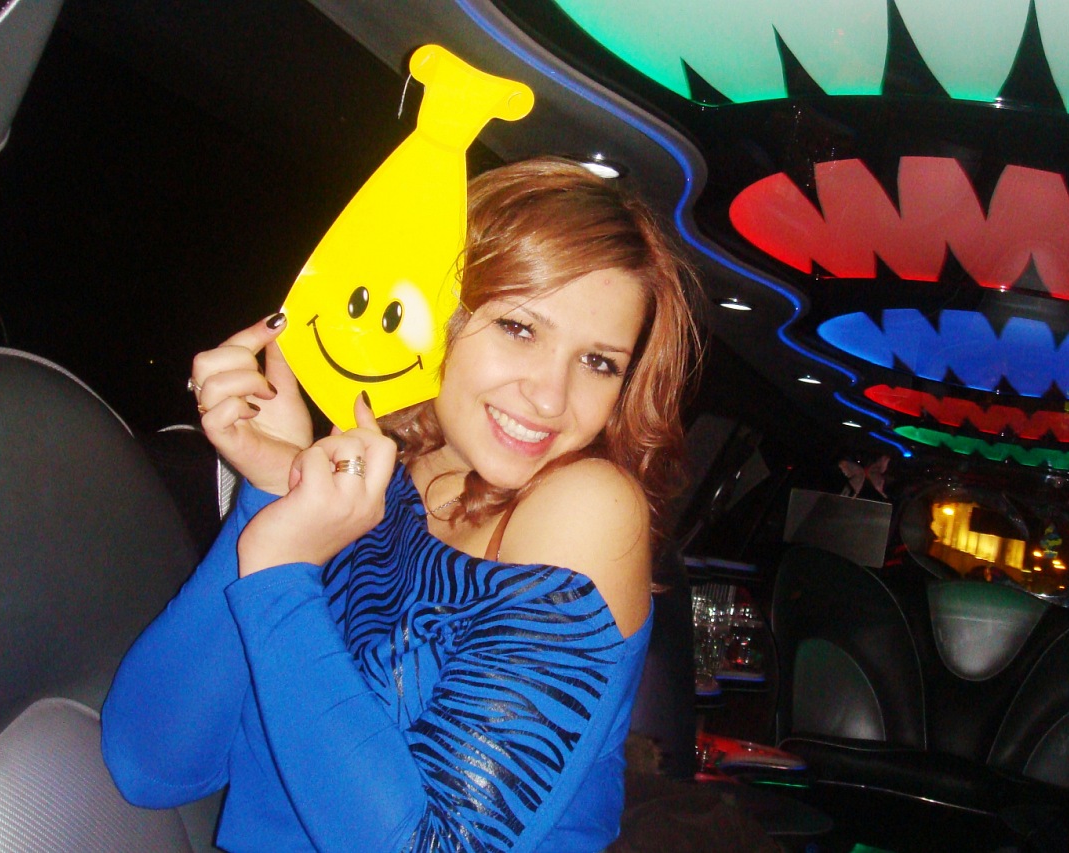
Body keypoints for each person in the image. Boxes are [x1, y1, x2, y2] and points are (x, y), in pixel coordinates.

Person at [101, 156, 702, 852]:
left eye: (598, 362)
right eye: (520, 328)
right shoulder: (363, 489)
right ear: (435, 308)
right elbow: (152, 764)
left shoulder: (588, 507)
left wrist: (281, 569)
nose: (550, 396)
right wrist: (272, 494)